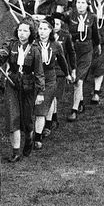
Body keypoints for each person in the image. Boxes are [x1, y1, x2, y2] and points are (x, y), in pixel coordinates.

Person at [0, 19, 44, 161]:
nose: (22, 34)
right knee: (13, 117)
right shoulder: (11, 44)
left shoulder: (35, 49)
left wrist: (40, 92)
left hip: (29, 86)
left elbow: (39, 72)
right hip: (12, 84)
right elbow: (1, 57)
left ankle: (29, 135)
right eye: (20, 30)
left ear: (31, 33)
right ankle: (15, 152)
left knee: (27, 119)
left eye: (25, 31)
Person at [32, 19, 72, 150]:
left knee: (43, 107)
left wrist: (67, 74)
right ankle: (43, 127)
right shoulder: (33, 44)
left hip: (49, 79)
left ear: (50, 31)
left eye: (45, 29)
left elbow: (62, 60)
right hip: (35, 78)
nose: (42, 32)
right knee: (36, 107)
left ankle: (38, 137)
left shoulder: (56, 45)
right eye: (40, 29)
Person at [66, 0, 97, 121]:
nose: (80, 5)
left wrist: (98, 46)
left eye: (83, 2)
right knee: (78, 78)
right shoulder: (70, 16)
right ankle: (81, 102)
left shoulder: (92, 17)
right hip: (73, 51)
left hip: (87, 50)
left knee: (78, 80)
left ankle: (74, 110)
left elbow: (95, 34)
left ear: (87, 4)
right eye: (78, 2)